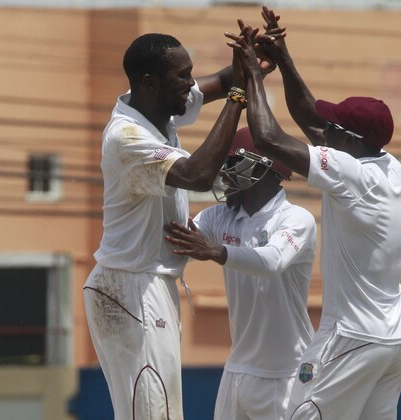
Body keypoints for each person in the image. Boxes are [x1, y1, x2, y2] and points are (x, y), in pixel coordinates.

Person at [82, 28, 281, 419]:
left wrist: (252, 64)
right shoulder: (127, 136)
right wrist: (241, 96)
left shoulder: (159, 107)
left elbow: (223, 81)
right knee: (156, 412)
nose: (191, 85)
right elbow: (199, 175)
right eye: (182, 77)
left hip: (143, 284)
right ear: (150, 83)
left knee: (156, 411)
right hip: (131, 285)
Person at [226, 9, 401, 420]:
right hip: (396, 340)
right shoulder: (389, 166)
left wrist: (252, 77)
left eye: (333, 129)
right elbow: (311, 115)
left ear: (348, 140)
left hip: (352, 339)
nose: (322, 132)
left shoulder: (350, 175)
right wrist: (283, 55)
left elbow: (269, 138)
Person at [164, 127, 317, 420]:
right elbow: (176, 241)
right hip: (237, 370)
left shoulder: (296, 219)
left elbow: (271, 261)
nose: (223, 175)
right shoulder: (218, 217)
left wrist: (217, 252)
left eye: (231, 164)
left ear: (262, 168)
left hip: (286, 375)